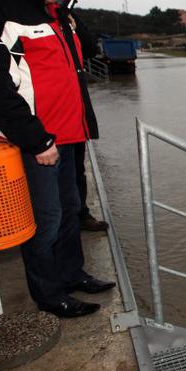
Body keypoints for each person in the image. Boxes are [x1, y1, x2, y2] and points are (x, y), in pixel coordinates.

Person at [0, 0, 115, 318]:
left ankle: (72, 273)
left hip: (68, 133)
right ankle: (49, 294)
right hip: (35, 141)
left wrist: (67, 12)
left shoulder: (50, 9)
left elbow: (81, 58)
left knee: (70, 209)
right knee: (45, 219)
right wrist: (36, 139)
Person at [71, 13, 108, 232]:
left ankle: (81, 215)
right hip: (44, 119)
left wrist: (73, 21)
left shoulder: (66, 18)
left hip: (75, 116)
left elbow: (90, 49)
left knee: (77, 171)